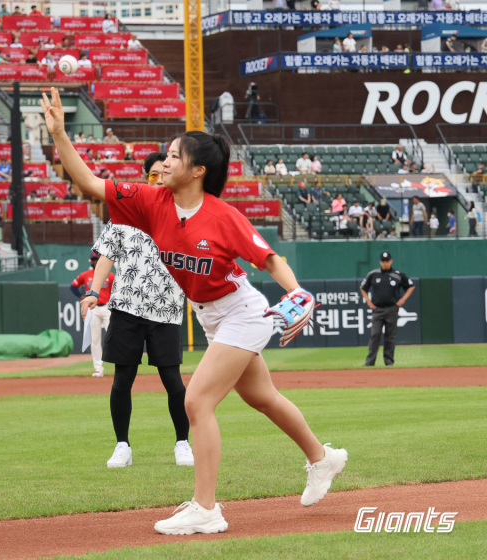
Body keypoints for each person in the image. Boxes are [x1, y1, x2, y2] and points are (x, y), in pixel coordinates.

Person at [42, 87, 347, 535]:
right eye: (164, 156)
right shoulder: (151, 203)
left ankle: (206, 507)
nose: (162, 164)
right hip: (210, 315)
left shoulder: (223, 216)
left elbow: (269, 259)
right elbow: (90, 184)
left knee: (197, 400)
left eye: (172, 157)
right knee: (261, 397)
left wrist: (299, 292)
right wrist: (59, 136)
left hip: (241, 310)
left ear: (198, 170)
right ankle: (323, 458)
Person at [82, 152, 194, 469]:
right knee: (122, 380)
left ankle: (183, 443)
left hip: (167, 310)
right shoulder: (124, 214)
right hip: (127, 308)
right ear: (144, 175)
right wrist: (93, 291)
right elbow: (106, 255)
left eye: (165, 174)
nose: (159, 179)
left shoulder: (182, 213)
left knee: (173, 381)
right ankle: (122, 446)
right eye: (153, 174)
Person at [361, 252, 415, 367]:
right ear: (380, 262)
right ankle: (370, 362)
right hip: (377, 309)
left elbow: (411, 286)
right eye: (383, 261)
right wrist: (368, 301)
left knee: (390, 336)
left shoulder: (398, 275)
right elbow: (363, 288)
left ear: (391, 261)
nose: (385, 263)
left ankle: (389, 361)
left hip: (392, 309)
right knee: (375, 334)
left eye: (387, 261)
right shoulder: (373, 274)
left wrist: (403, 299)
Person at [71, 252, 114, 377]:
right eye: (93, 259)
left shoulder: (110, 276)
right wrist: (81, 296)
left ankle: (120, 366)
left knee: (115, 337)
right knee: (95, 340)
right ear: (90, 261)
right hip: (93, 309)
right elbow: (73, 286)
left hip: (106, 308)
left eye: (97, 259)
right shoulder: (86, 275)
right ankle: (98, 369)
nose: (95, 261)